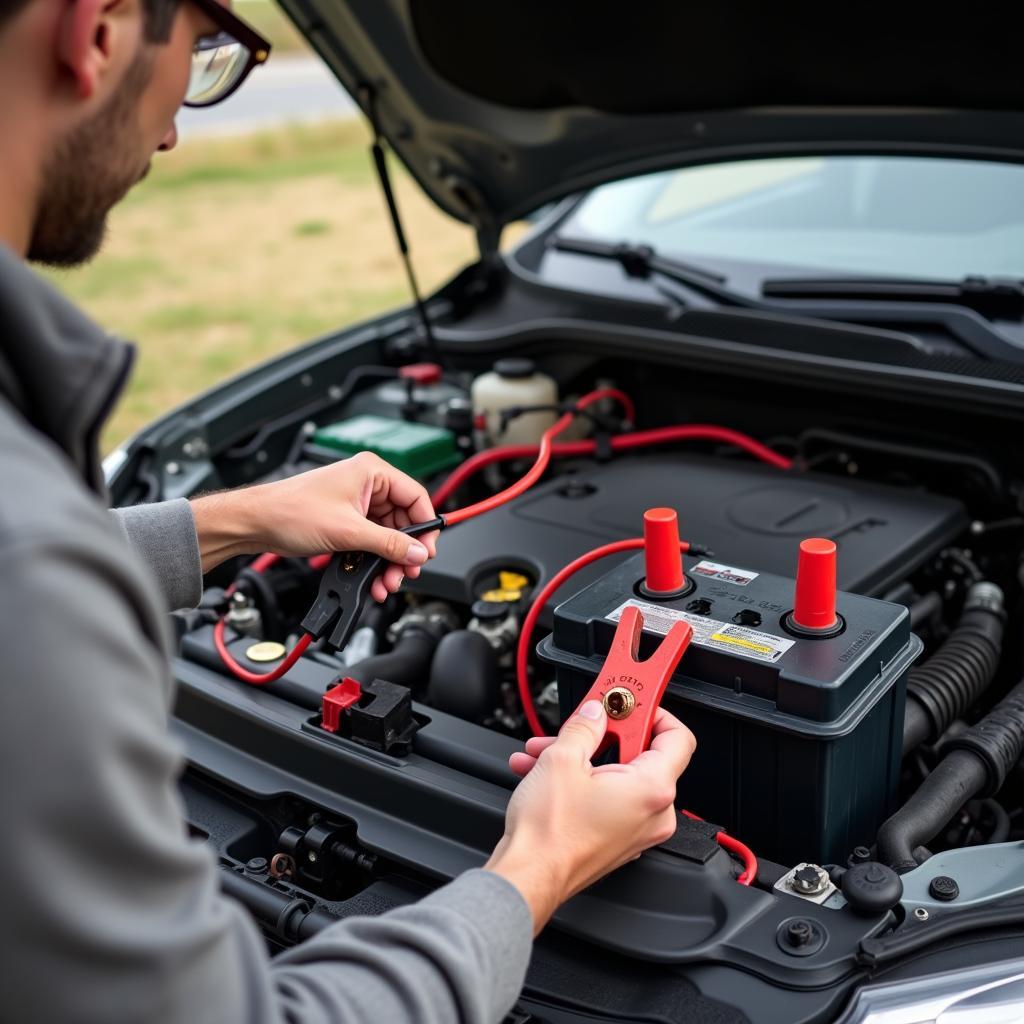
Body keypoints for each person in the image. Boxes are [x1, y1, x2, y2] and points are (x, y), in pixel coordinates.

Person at [0, 0, 697, 1019]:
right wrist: (538, 865)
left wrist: (227, 521)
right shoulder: (31, 563)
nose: (172, 129)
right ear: (98, 28)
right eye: (202, 54)